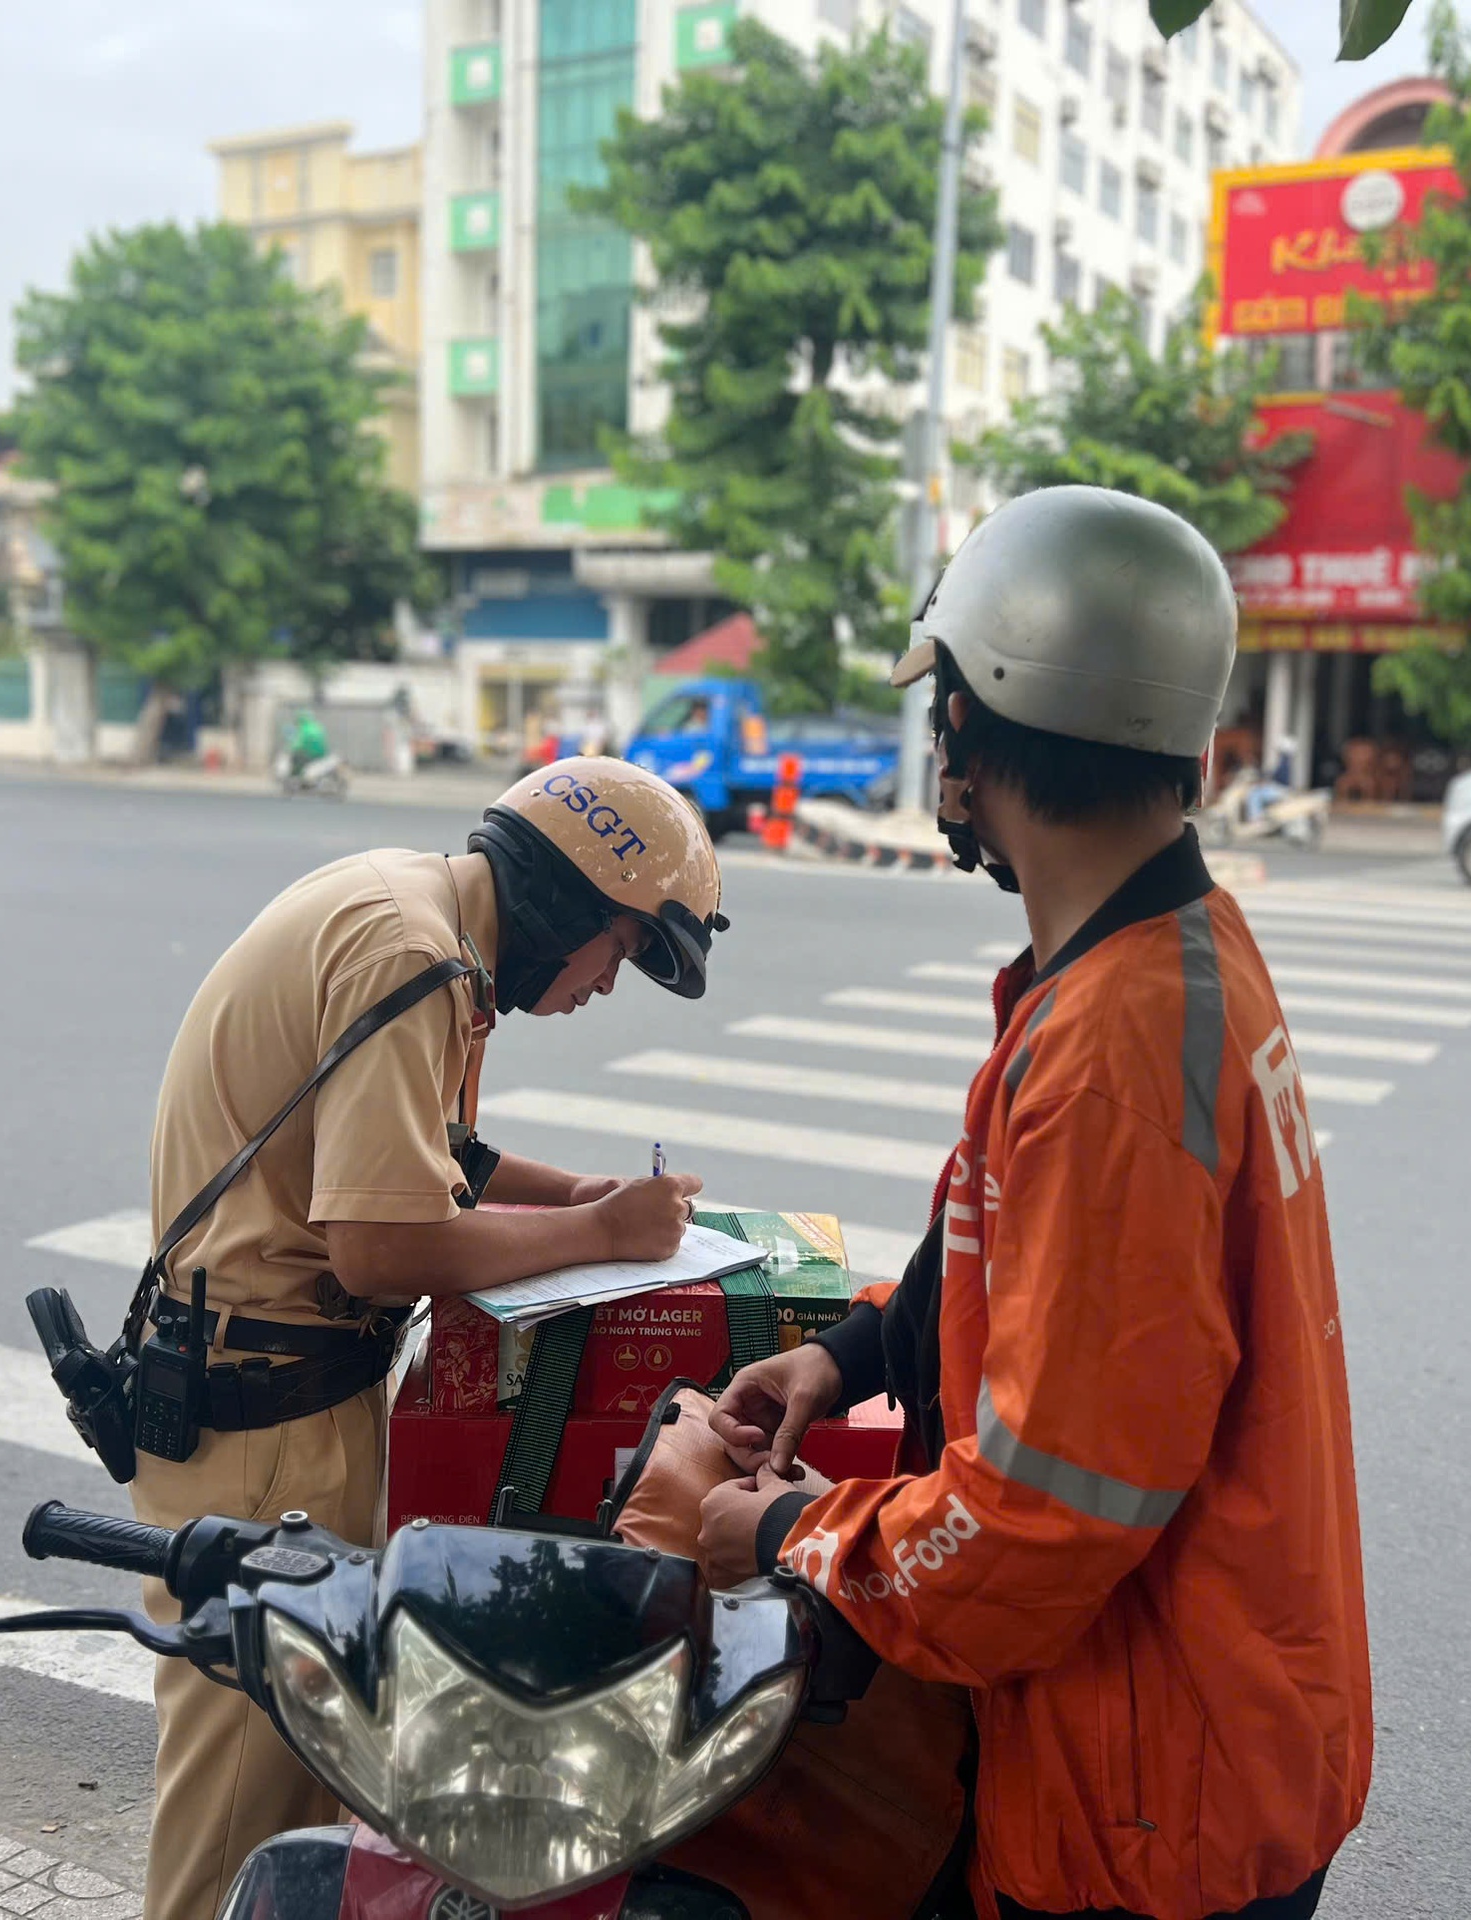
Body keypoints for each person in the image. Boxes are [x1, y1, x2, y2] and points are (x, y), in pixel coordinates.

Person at [703, 486, 1371, 1920]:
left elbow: (1042, 1519)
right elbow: (1021, 1260)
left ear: (972, 734)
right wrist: (850, 1354)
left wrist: (779, 1536)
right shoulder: (1152, 958)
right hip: (1182, 1718)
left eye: (940, 711)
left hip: (1148, 1794)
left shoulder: (1112, 1052)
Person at [133, 755, 727, 1920]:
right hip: (270, 1427)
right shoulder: (414, 955)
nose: (609, 982)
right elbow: (381, 1245)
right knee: (241, 1821)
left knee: (297, 1775)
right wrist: (599, 1227)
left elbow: (437, 1158)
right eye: (617, 946)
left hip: (278, 1392)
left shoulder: (414, 908)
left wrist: (578, 1199)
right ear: (561, 900)